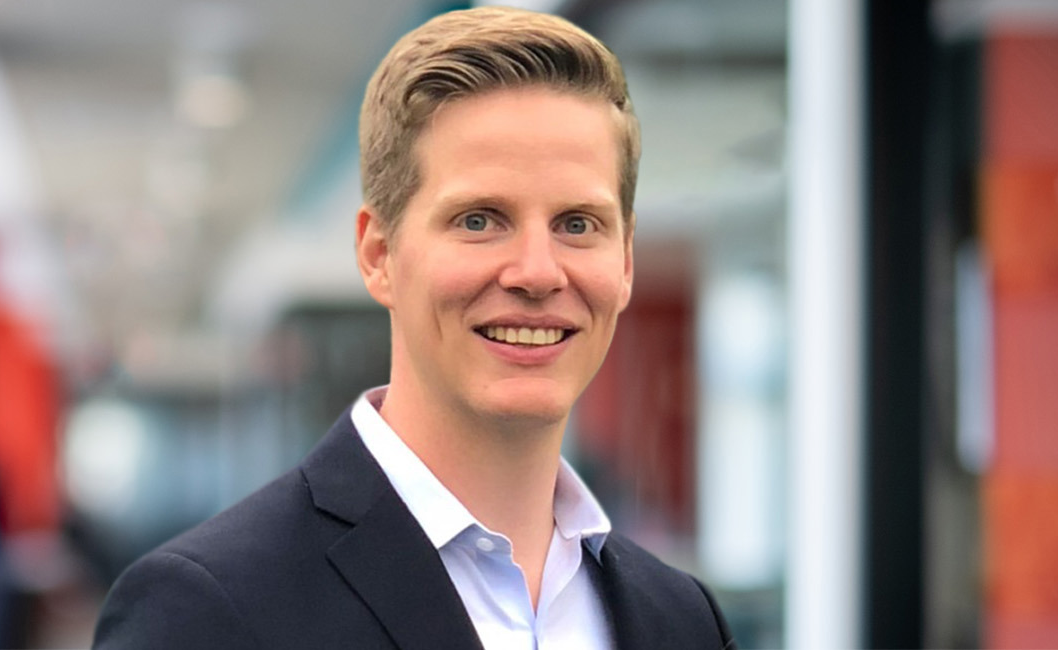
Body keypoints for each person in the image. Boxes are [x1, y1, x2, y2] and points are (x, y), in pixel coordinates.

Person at [92, 7, 735, 650]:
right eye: (480, 220)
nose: (538, 273)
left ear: (625, 263)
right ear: (379, 255)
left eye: (577, 224)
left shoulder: (684, 621)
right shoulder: (205, 608)